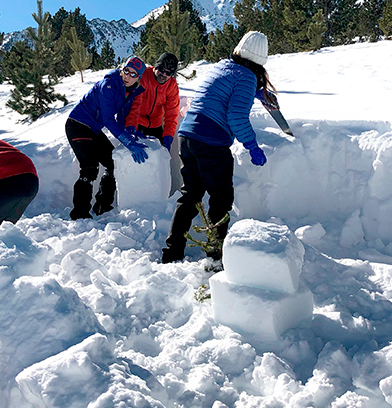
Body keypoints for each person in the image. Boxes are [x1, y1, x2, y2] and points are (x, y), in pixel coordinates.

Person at [162, 31, 275, 264]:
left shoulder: (222, 66)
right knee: (221, 200)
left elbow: (223, 90)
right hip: (211, 141)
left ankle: (171, 252)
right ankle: (215, 256)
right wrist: (252, 146)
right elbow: (236, 117)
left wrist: (256, 92)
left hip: (187, 136)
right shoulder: (247, 77)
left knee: (190, 196)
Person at [65, 56, 149, 220]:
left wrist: (131, 132)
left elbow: (121, 118)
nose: (128, 76)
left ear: (138, 78)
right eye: (126, 71)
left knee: (113, 163)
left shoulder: (129, 91)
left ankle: (103, 205)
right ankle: (80, 213)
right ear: (122, 69)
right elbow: (109, 119)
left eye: (133, 74)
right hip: (77, 125)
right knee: (90, 167)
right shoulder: (109, 85)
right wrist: (128, 143)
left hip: (93, 128)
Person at [125, 52, 181, 151]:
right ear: (156, 66)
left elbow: (171, 114)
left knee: (159, 155)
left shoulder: (171, 86)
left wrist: (168, 136)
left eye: (168, 73)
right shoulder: (144, 76)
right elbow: (134, 105)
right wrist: (131, 126)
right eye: (162, 70)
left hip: (156, 125)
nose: (164, 74)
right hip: (137, 122)